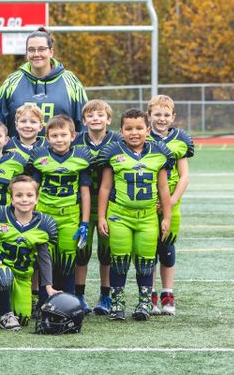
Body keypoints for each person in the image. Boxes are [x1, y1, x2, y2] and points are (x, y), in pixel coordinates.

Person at [97, 108, 173, 321]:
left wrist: (166, 217)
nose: (134, 132)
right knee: (119, 260)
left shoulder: (159, 153)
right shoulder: (113, 152)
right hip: (119, 215)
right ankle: (117, 303)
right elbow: (104, 188)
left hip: (148, 216)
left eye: (139, 128)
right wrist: (102, 217)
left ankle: (144, 303)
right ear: (121, 131)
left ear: (148, 130)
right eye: (128, 128)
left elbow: (163, 189)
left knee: (146, 260)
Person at [26, 115, 92, 299]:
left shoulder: (81, 157)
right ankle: (43, 301)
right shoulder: (40, 157)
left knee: (67, 258)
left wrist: (84, 222)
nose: (59, 139)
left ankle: (68, 300)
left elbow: (85, 193)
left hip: (69, 215)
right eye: (54, 136)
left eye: (63, 135)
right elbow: (34, 188)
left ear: (72, 136)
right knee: (45, 257)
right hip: (44, 214)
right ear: (47, 138)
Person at [0, 175, 59, 330]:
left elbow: (45, 259)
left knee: (24, 318)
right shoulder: (0, 217)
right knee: (4, 277)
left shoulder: (43, 225)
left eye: (29, 195)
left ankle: (1, 303)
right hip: (2, 269)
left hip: (24, 275)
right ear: (11, 199)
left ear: (37, 198)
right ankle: (5, 314)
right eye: (19, 195)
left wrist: (48, 286)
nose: (24, 199)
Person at [71, 100, 120, 315]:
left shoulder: (117, 141)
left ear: (108, 119)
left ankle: (105, 295)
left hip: (110, 206)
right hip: (81, 206)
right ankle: (79, 295)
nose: (95, 119)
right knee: (81, 252)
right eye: (90, 115)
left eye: (100, 115)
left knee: (106, 253)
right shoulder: (76, 141)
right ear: (84, 120)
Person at [0, 27, 87, 137]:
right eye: (31, 50)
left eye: (42, 49)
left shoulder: (71, 81)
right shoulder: (11, 82)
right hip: (18, 153)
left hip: (60, 153)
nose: (36, 54)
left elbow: (83, 123)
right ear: (26, 53)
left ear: (51, 52)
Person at [147, 95, 194, 315]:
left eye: (166, 115)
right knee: (147, 251)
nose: (161, 118)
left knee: (166, 249)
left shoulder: (180, 140)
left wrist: (170, 202)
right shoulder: (142, 136)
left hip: (171, 202)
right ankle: (150, 294)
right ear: (149, 116)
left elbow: (184, 176)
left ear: (173, 117)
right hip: (146, 201)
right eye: (157, 114)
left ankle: (167, 293)